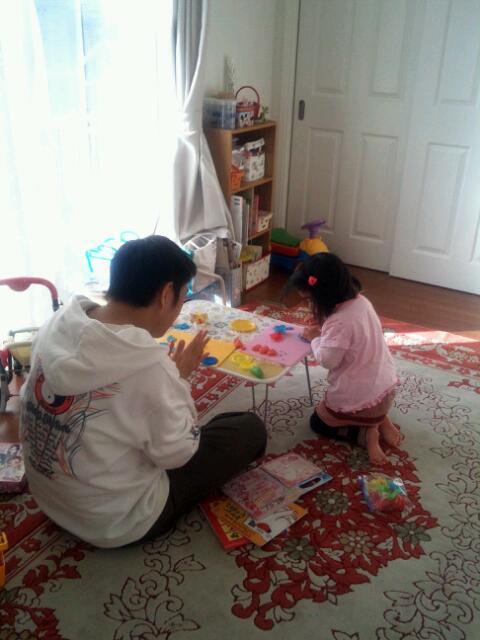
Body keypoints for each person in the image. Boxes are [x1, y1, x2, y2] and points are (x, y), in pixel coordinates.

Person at [20, 235, 266, 548]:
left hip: (52, 498)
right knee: (248, 429)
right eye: (182, 298)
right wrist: (178, 380)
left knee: (181, 426)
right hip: (116, 521)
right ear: (166, 294)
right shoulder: (149, 367)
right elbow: (177, 454)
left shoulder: (57, 324)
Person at [285, 253, 401, 464]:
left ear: (324, 296)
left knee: (318, 422)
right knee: (369, 399)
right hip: (385, 389)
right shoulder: (362, 302)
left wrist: (315, 339)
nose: (308, 306)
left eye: (309, 300)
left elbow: (328, 360)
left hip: (363, 399)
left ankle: (364, 433)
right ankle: (380, 420)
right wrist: (324, 324)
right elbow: (351, 333)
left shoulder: (338, 322)